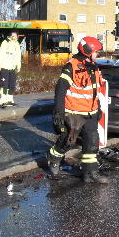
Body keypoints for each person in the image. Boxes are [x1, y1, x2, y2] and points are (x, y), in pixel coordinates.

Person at [46, 37, 108, 184]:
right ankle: (54, 159)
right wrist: (59, 112)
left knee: (92, 143)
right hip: (74, 112)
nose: (97, 54)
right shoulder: (71, 66)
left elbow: (95, 90)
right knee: (68, 141)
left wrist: (97, 108)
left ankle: (90, 173)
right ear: (87, 51)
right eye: (95, 52)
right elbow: (60, 89)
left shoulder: (93, 67)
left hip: (91, 113)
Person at [0, 31, 21, 107]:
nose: (13, 37)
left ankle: (10, 100)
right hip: (4, 67)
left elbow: (18, 56)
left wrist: (18, 66)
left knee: (11, 85)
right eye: (12, 36)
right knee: (4, 84)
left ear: (17, 37)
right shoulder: (5, 42)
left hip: (12, 68)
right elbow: (0, 53)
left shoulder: (17, 44)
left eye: (15, 36)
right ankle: (3, 101)